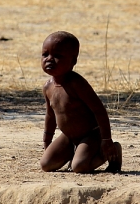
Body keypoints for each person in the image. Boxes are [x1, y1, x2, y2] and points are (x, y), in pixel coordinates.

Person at [39, 31, 122, 173]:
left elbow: (99, 111)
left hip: (91, 135)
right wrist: (47, 141)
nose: (49, 59)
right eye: (45, 54)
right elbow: (50, 116)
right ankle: (75, 153)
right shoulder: (48, 87)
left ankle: (112, 152)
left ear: (73, 61)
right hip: (68, 136)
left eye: (58, 56)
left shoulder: (77, 84)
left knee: (79, 167)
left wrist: (106, 140)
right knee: (46, 164)